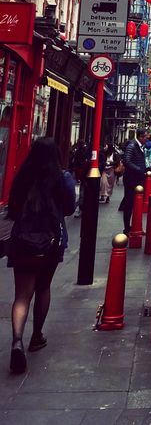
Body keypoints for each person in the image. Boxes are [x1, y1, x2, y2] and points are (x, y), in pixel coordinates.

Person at [6, 137, 76, 374]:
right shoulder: (62, 177)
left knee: (22, 295)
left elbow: (12, 209)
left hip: (23, 240)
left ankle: (17, 339)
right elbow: (69, 208)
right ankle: (37, 336)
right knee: (43, 287)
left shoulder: (23, 177)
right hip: (50, 241)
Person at [120, 129, 147, 236]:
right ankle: (127, 228)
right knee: (129, 203)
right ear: (140, 137)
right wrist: (139, 169)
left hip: (137, 178)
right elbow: (127, 161)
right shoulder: (132, 146)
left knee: (135, 203)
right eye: (145, 136)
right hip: (132, 179)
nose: (146, 138)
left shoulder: (139, 146)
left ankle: (133, 226)